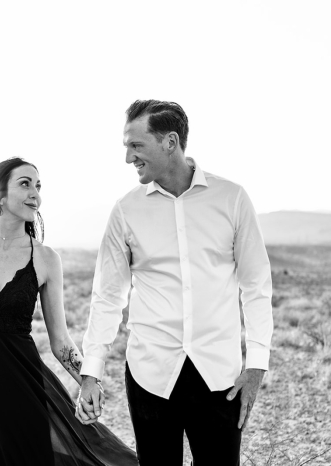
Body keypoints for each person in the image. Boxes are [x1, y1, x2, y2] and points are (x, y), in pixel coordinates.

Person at [76, 100, 273, 465]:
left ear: (170, 141)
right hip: (150, 373)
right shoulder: (126, 210)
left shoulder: (232, 198)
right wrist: (91, 373)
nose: (128, 158)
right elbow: (107, 296)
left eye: (136, 146)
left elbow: (256, 285)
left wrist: (257, 364)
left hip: (219, 375)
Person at [0, 157, 137, 466]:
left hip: (19, 383)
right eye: (25, 184)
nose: (35, 194)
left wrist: (89, 381)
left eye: (38, 186)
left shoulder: (46, 259)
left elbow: (60, 340)